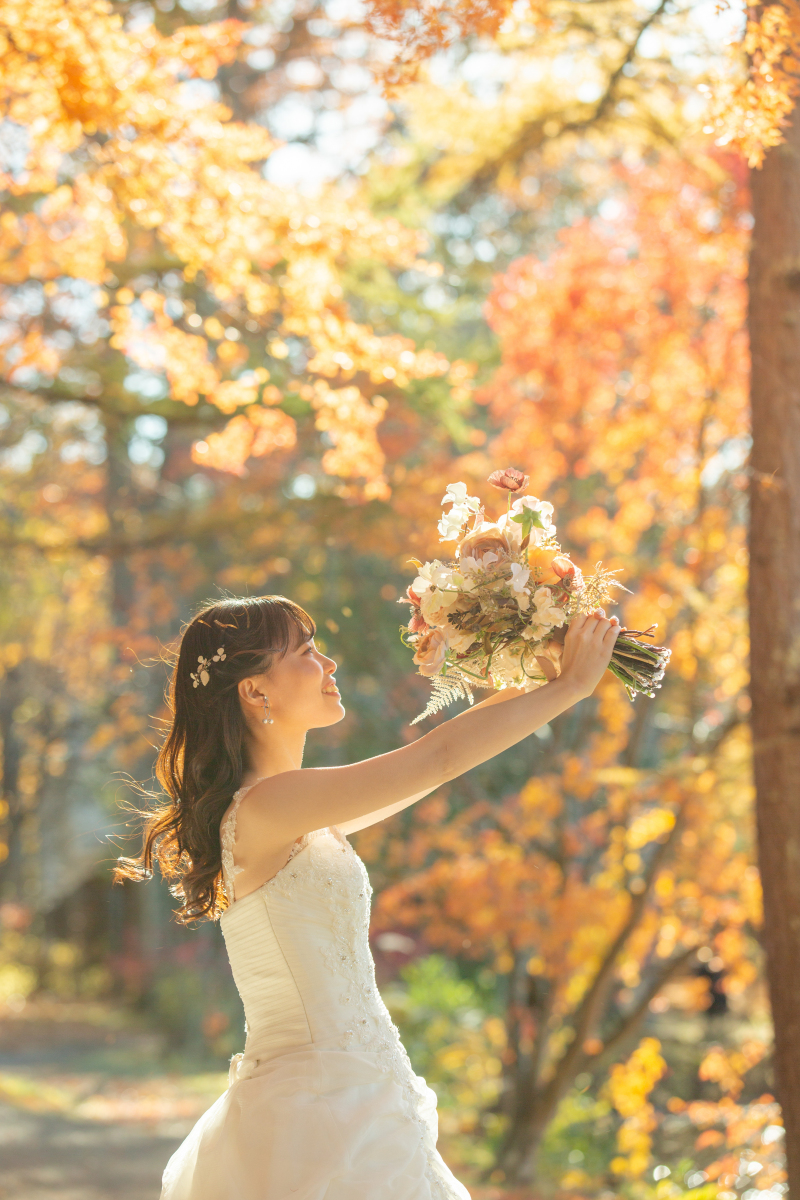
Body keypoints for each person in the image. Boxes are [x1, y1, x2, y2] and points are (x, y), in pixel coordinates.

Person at [116, 593, 621, 1200]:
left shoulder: (297, 812)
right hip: (321, 1111)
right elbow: (433, 757)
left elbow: (442, 765)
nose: (329, 665)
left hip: (356, 1091)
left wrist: (549, 671)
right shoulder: (268, 807)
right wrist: (569, 690)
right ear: (255, 692)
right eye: (306, 652)